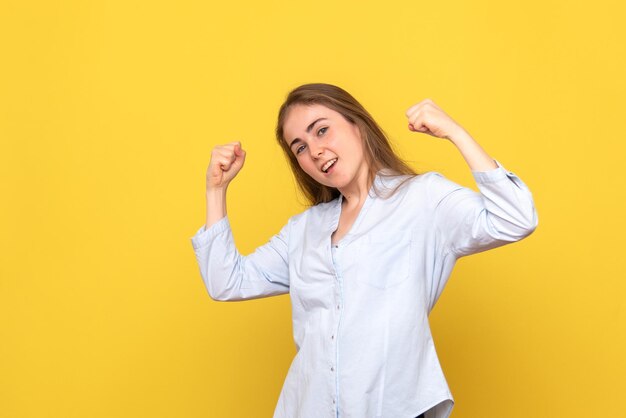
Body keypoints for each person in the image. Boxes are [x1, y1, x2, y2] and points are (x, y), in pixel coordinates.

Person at [190, 83, 538, 418]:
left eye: (321, 130)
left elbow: (516, 218)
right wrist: (215, 190)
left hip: (394, 407)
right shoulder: (303, 231)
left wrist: (455, 132)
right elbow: (227, 282)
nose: (315, 151)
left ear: (357, 124)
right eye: (299, 147)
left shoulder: (422, 200)